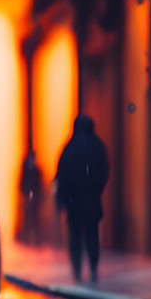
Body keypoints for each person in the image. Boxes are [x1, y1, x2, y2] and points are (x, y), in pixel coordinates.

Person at [55, 115, 109, 282]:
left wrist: (63, 199)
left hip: (74, 202)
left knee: (75, 237)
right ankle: (93, 267)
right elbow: (105, 170)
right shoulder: (98, 145)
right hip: (92, 200)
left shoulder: (69, 147)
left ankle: (77, 272)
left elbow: (61, 176)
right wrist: (97, 189)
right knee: (92, 235)